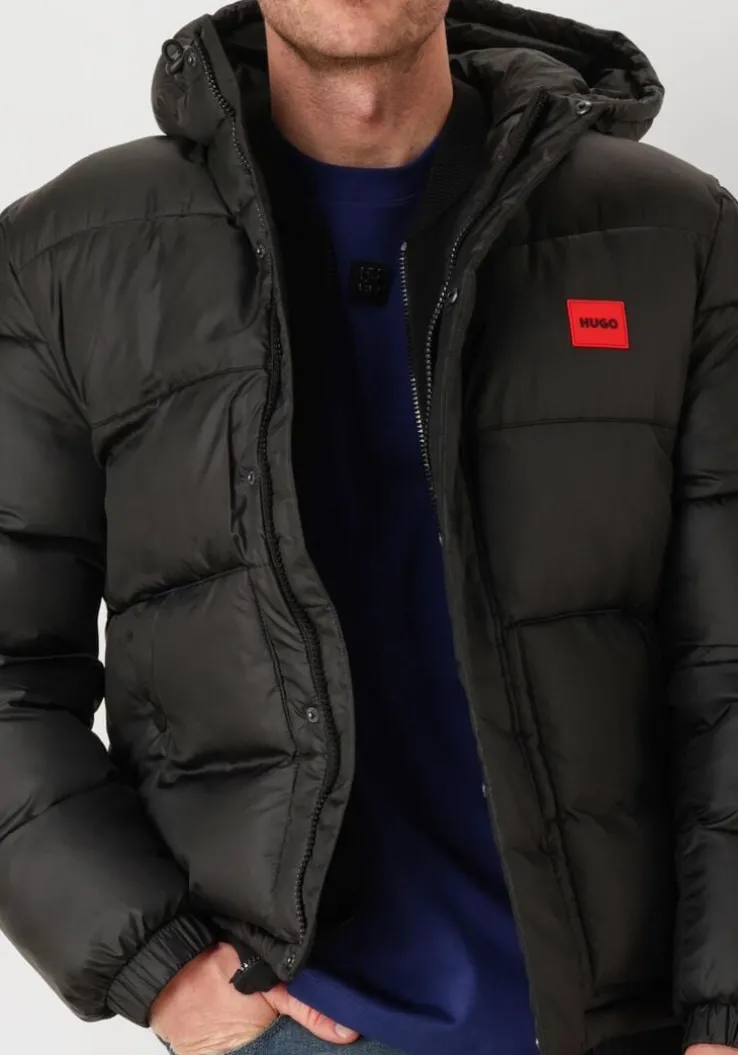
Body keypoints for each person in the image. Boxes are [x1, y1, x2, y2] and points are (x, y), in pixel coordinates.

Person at [1, 0, 737, 1054]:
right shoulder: (69, 254)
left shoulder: (675, 234)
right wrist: (155, 963)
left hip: (628, 1020)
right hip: (291, 1023)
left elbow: (727, 660)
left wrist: (725, 1007)